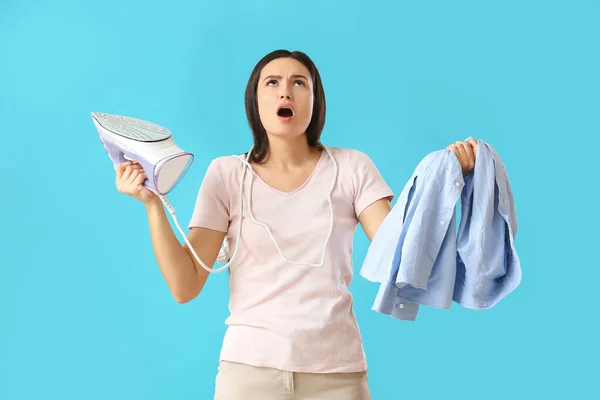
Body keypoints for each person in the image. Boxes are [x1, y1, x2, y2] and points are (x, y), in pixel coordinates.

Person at [114, 49, 478, 400]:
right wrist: (151, 206)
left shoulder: (352, 167)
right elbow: (185, 284)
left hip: (338, 375)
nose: (285, 90)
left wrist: (444, 180)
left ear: (315, 100)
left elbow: (399, 256)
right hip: (248, 373)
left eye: (299, 83)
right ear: (255, 102)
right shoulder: (226, 174)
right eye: (271, 82)